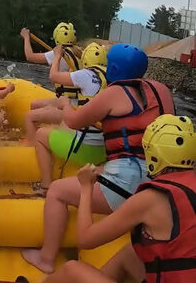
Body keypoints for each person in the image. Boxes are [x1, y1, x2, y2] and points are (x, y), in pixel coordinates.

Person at [22, 43, 175, 273]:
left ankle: (46, 258)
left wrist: (65, 105)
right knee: (101, 169)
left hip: (129, 181)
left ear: (112, 67)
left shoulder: (115, 92)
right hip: (157, 179)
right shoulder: (161, 91)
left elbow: (73, 121)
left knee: (56, 191)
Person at [44, 114, 196, 283]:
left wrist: (86, 188)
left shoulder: (150, 199)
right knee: (129, 254)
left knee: (72, 269)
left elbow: (85, 239)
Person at [30, 42, 109, 194]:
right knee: (63, 125)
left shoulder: (86, 74)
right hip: (103, 150)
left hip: (86, 150)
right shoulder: (112, 79)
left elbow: (53, 76)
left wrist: (58, 56)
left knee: (40, 134)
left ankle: (45, 185)